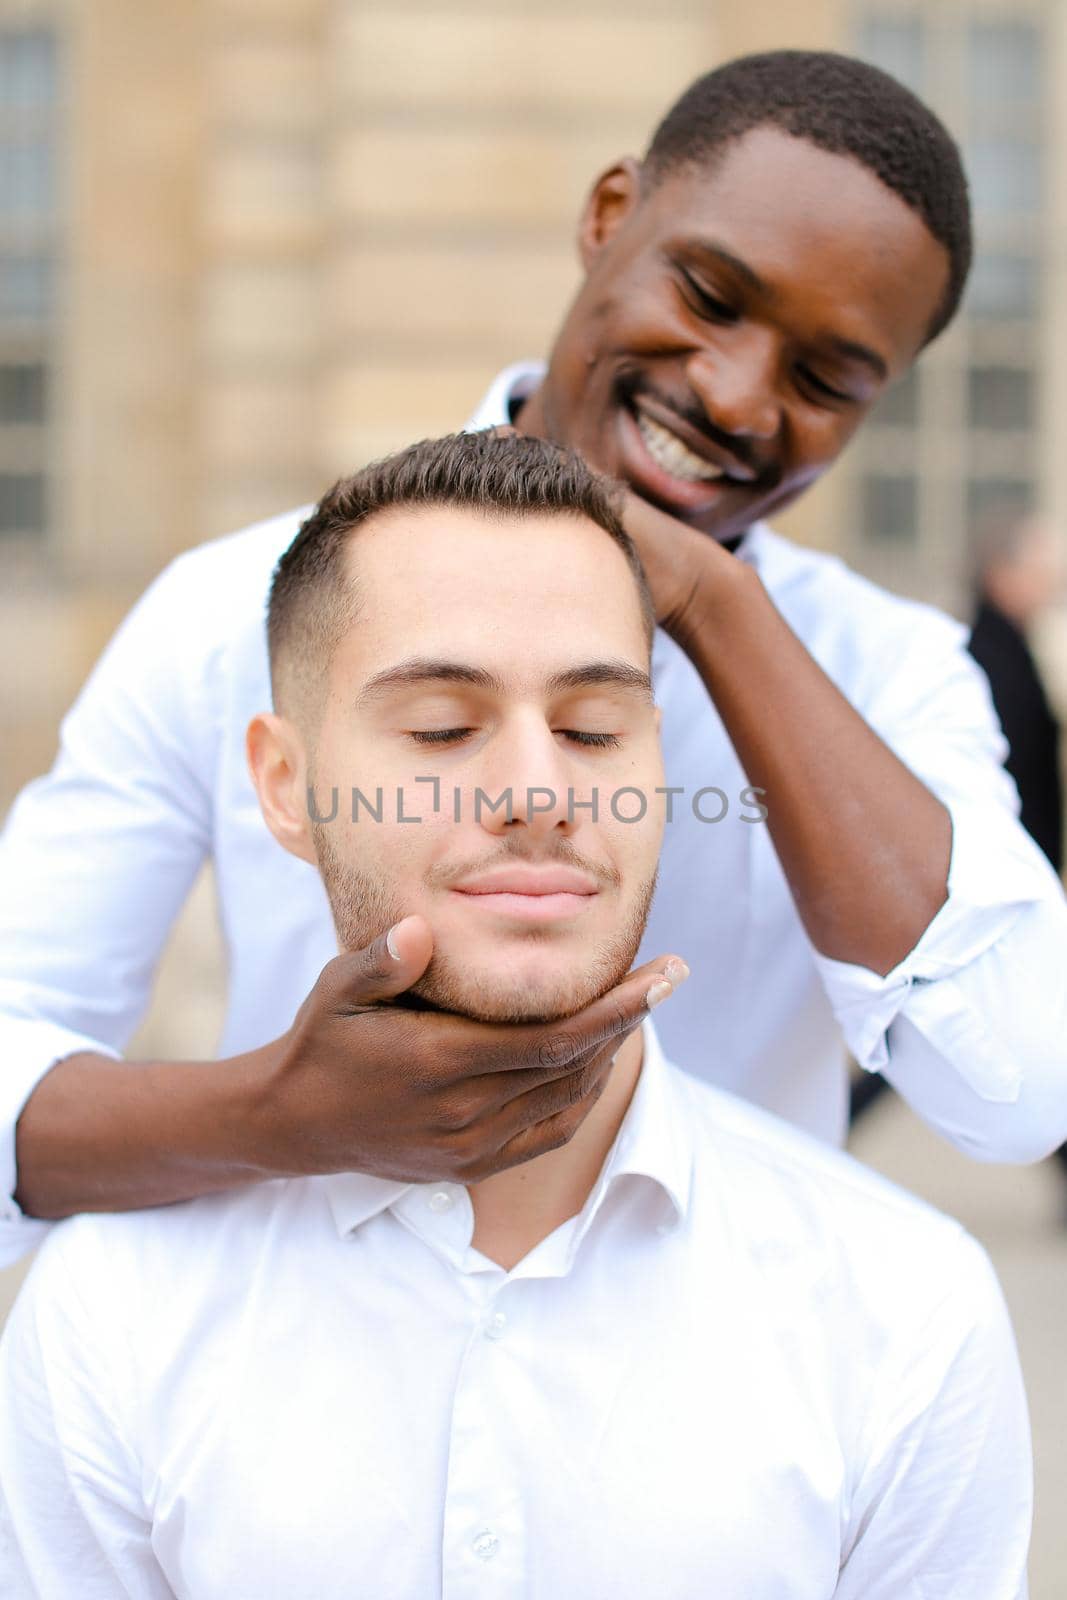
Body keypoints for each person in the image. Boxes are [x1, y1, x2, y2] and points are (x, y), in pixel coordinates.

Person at [3, 52, 1067, 1263]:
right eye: (710, 296)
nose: (734, 396)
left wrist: (713, 603)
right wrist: (280, 1115)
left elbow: (1017, 1086)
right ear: (609, 215)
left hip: (720, 1415)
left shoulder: (889, 674)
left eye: (823, 379)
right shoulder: (227, 612)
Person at [0, 434, 1032, 1598]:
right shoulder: (109, 1317)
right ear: (285, 789)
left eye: (596, 730)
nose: (538, 793)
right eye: (441, 728)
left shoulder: (904, 1315)